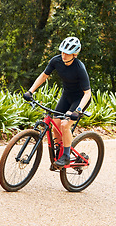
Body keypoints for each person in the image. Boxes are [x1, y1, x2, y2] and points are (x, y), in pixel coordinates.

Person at [23, 37, 92, 168]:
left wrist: (78, 110)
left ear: (75, 54)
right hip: (66, 96)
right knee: (55, 127)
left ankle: (66, 156)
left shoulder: (79, 68)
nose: (64, 55)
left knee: (65, 124)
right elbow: (44, 76)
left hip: (80, 99)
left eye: (67, 53)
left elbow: (87, 93)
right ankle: (60, 155)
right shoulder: (56, 61)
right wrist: (30, 91)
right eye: (62, 52)